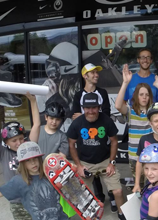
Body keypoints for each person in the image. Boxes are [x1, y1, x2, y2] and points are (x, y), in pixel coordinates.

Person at [66, 92, 126, 220]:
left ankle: (122, 214)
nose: (91, 111)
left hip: (105, 161)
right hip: (85, 163)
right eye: (87, 108)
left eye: (94, 107)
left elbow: (114, 141)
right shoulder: (77, 123)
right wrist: (79, 166)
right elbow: (71, 144)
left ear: (99, 107)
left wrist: (111, 162)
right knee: (80, 193)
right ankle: (89, 215)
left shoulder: (106, 120)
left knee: (118, 191)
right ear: (83, 108)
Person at [116, 64, 158, 192]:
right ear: (136, 96)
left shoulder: (153, 111)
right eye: (141, 94)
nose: (144, 97)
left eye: (147, 95)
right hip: (134, 156)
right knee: (140, 187)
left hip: (152, 155)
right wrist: (125, 83)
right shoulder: (130, 111)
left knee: (154, 186)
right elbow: (118, 105)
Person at [0, 89, 40, 220]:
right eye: (14, 140)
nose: (19, 143)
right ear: (6, 142)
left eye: (21, 138)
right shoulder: (2, 153)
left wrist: (32, 101)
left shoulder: (29, 147)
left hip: (34, 197)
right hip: (17, 202)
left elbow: (36, 125)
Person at [0, 142, 69, 220]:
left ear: (39, 158)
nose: (33, 162)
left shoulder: (50, 173)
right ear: (22, 163)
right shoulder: (19, 181)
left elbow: (69, 185)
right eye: (28, 160)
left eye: (35, 158)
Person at [69, 63, 112, 209]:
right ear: (85, 75)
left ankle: (112, 197)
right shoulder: (78, 95)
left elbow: (106, 114)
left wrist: (85, 115)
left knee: (107, 168)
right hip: (84, 137)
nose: (96, 75)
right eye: (92, 73)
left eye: (96, 72)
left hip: (102, 136)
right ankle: (99, 196)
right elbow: (75, 116)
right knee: (91, 171)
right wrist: (85, 117)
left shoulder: (102, 93)